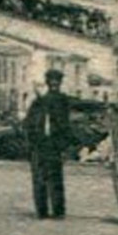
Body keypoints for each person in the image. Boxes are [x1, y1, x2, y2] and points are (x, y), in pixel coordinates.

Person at [24, 68, 73, 219]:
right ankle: (42, 211)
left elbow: (66, 125)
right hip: (39, 144)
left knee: (56, 178)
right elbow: (28, 123)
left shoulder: (62, 101)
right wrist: (31, 141)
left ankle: (58, 211)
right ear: (47, 83)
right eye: (51, 82)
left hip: (54, 144)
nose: (54, 84)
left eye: (57, 82)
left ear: (60, 84)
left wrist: (64, 144)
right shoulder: (38, 103)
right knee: (39, 179)